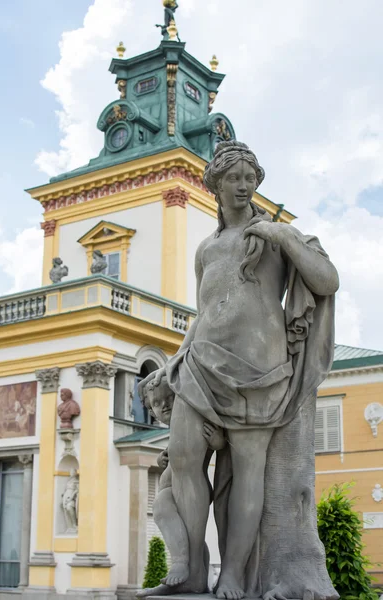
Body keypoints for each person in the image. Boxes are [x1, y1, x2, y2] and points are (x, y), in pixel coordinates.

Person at [139, 141, 339, 600]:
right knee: (185, 460)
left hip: (260, 370)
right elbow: (204, 310)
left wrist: (286, 237)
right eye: (234, 177)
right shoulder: (207, 249)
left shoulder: (275, 237)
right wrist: (175, 358)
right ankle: (190, 570)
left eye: (250, 177)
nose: (244, 185)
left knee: (249, 474)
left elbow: (327, 280)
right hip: (201, 363)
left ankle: (232, 575)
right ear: (216, 184)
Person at [138, 376, 225, 596]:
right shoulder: (174, 430)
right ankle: (197, 579)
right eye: (157, 403)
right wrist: (161, 460)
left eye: (170, 398)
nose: (165, 405)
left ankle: (180, 563)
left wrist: (217, 440)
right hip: (175, 486)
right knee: (191, 538)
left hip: (192, 489)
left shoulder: (193, 420)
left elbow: (218, 446)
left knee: (160, 508)